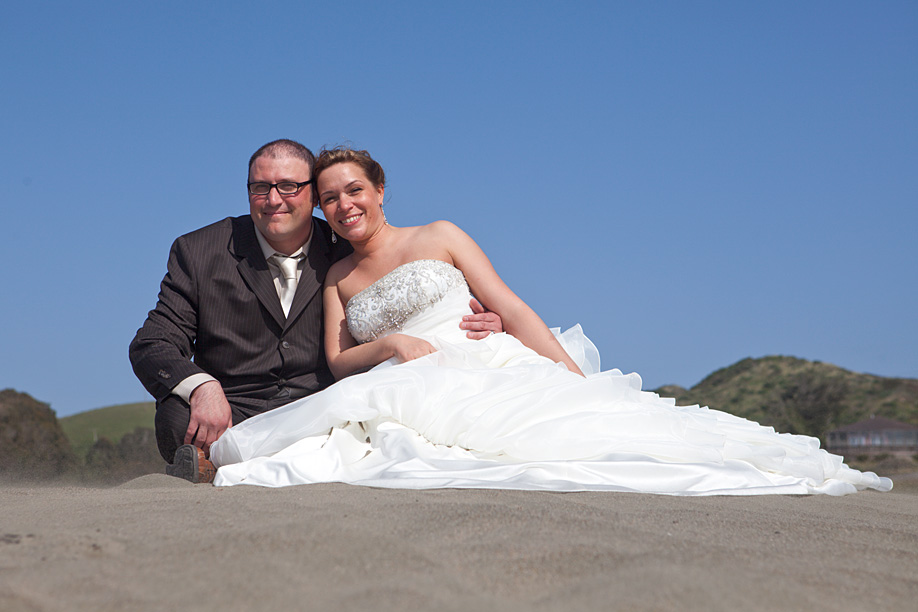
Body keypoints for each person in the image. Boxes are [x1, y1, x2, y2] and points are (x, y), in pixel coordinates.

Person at [209, 147, 892, 496]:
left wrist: (569, 374)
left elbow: (509, 304)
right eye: (329, 198)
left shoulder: (441, 233)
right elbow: (336, 361)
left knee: (574, 432)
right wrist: (390, 342)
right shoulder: (339, 276)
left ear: (379, 190)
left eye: (353, 189)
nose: (343, 204)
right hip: (404, 372)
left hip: (485, 355)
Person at [129, 139, 503, 482]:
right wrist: (203, 388)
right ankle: (214, 460)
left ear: (313, 197)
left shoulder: (348, 250)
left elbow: (411, 294)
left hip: (324, 403)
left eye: (289, 186)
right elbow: (153, 342)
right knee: (175, 414)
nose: (274, 199)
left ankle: (240, 462)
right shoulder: (199, 250)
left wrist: (472, 318)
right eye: (260, 187)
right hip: (235, 407)